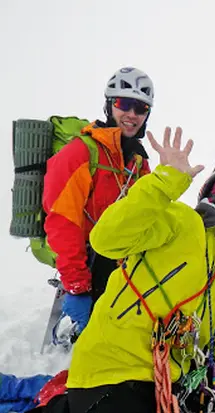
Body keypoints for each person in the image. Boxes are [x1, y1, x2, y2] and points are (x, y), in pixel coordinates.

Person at [22, 127, 215, 413]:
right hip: (111, 373)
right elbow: (106, 238)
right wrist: (166, 181)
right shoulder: (182, 220)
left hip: (162, 386)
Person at [43, 67, 154, 335]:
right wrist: (77, 286)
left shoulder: (138, 161)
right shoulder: (81, 152)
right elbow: (62, 222)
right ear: (109, 105)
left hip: (122, 271)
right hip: (86, 266)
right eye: (123, 104)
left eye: (140, 108)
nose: (132, 114)